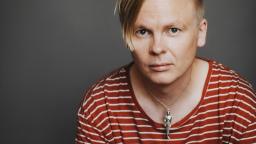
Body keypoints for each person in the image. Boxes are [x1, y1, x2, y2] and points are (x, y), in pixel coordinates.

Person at [75, 0, 256, 143]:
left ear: (200, 33)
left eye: (173, 30)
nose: (157, 48)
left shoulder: (236, 101)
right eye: (143, 31)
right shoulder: (100, 107)